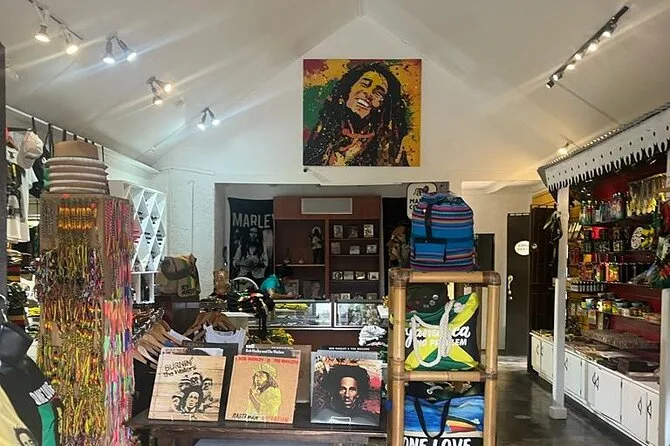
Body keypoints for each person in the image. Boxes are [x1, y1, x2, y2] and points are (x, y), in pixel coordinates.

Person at [304, 62, 410, 167]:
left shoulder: (388, 146)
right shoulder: (325, 125)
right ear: (349, 87)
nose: (368, 93)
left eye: (378, 93)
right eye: (364, 84)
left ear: (384, 106)